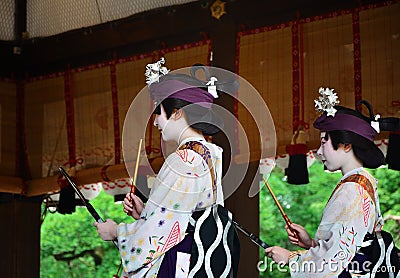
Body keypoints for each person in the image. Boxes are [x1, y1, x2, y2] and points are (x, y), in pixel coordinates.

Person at [94, 58, 239, 277]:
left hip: (177, 261)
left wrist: (116, 232)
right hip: (193, 256)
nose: (155, 123)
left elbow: (161, 230)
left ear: (177, 112)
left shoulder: (182, 160)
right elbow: (184, 217)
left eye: (158, 113)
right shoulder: (212, 154)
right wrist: (146, 212)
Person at [265, 87, 392, 277]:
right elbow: (347, 246)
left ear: (347, 144)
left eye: (324, 141)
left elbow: (337, 259)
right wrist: (310, 244)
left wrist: (291, 258)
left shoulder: (352, 190)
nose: (319, 151)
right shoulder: (363, 183)